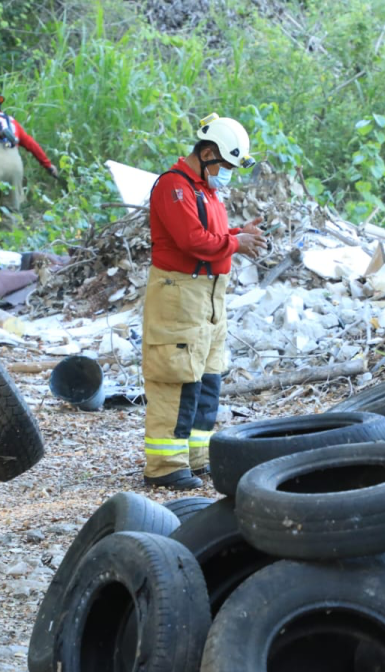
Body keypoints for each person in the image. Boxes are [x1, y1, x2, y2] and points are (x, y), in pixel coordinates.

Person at [142, 114, 266, 490]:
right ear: (208, 153)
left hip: (210, 297)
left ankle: (196, 457)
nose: (226, 174)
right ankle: (165, 466)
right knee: (177, 378)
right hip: (180, 294)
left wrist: (238, 233)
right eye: (225, 165)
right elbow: (191, 240)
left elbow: (212, 234)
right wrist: (236, 243)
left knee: (207, 378)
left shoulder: (206, 191)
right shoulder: (173, 186)